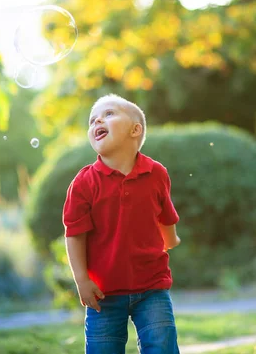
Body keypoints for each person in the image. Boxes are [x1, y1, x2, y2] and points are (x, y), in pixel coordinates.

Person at [62, 93, 182, 354]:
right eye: (92, 120)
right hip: (102, 294)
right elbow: (74, 234)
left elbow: (165, 216)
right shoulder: (84, 183)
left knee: (161, 346)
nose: (97, 122)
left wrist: (170, 241)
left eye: (108, 114)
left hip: (152, 287)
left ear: (135, 130)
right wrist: (82, 280)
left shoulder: (156, 173)